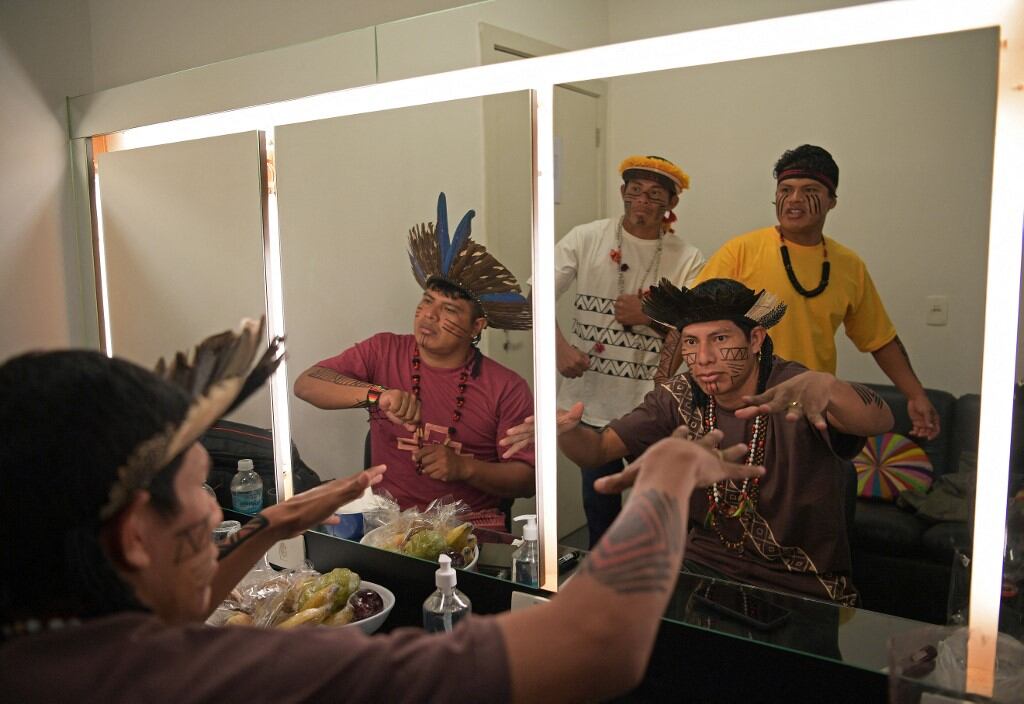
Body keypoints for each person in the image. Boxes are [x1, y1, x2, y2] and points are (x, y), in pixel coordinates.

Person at [0, 320, 765, 703]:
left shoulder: (49, 652)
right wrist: (667, 474)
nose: (212, 507)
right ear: (135, 535)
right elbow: (595, 645)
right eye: (202, 488)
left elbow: (172, 612)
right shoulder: (197, 679)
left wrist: (272, 525)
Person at [530, 278, 895, 604]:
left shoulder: (795, 388)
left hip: (802, 585)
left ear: (755, 339)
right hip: (702, 569)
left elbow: (881, 419)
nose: (702, 358)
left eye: (720, 339)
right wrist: (564, 430)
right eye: (691, 342)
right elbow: (597, 451)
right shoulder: (677, 396)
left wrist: (829, 386)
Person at [294, 192, 535, 530]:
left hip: (468, 533)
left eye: (449, 309)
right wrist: (378, 395)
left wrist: (466, 468)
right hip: (387, 528)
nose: (429, 315)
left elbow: (527, 481)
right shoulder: (383, 350)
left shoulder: (506, 388)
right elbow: (306, 384)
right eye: (427, 301)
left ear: (477, 326)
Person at [693, 144, 939, 440]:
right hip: (742, 407)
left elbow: (879, 339)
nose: (794, 199)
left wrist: (915, 395)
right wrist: (667, 386)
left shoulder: (849, 265)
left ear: (831, 201)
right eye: (785, 190)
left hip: (810, 411)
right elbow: (690, 319)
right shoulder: (740, 251)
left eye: (809, 190)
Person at [552, 154, 705, 546]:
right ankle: (600, 579)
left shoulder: (687, 257)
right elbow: (535, 294)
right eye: (635, 190)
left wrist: (649, 314)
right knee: (598, 510)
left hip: (649, 409)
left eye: (655, 194)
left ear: (671, 203)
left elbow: (695, 331)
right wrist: (558, 348)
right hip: (588, 406)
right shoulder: (586, 238)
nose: (642, 201)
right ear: (622, 192)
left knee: (654, 515)